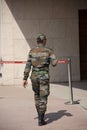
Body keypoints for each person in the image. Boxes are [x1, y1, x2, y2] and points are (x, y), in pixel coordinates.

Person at [23, 33, 57, 126]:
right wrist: (50, 59)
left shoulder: (32, 51)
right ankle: (41, 119)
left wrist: (24, 78)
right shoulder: (49, 51)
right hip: (44, 78)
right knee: (43, 97)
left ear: (37, 41)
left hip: (34, 77)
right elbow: (54, 63)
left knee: (37, 95)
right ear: (44, 41)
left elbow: (28, 65)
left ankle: (39, 115)